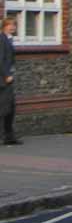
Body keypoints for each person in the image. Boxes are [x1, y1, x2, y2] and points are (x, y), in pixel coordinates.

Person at [0, 17, 21, 145]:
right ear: (4, 26)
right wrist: (6, 75)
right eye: (10, 25)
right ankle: (5, 136)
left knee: (10, 108)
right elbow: (0, 59)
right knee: (5, 108)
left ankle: (9, 136)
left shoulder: (8, 39)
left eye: (14, 25)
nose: (12, 27)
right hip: (3, 80)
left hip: (7, 79)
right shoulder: (2, 40)